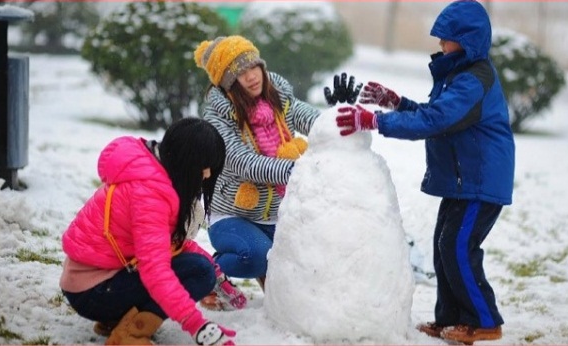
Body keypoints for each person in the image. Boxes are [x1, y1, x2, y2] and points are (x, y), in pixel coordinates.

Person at [335, 0, 514, 344]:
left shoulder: (473, 80)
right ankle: (449, 318)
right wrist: (397, 103)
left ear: (465, 40)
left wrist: (375, 120)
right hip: (465, 179)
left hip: (481, 179)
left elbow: (435, 121)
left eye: (446, 38)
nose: (440, 45)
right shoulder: (460, 75)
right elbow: (435, 112)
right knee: (443, 244)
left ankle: (483, 320)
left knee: (458, 247)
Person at [192, 35, 359, 306]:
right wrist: (299, 169)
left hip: (275, 214)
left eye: (252, 67)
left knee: (305, 261)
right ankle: (205, 272)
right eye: (239, 74)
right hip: (232, 215)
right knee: (256, 256)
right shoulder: (218, 117)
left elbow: (314, 122)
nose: (251, 77)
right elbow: (242, 162)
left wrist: (341, 114)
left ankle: (268, 268)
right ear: (227, 84)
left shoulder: (279, 100)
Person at [60, 118, 246, 346]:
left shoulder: (152, 169)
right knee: (198, 272)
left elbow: (171, 243)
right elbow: (154, 270)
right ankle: (130, 334)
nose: (207, 174)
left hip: (96, 278)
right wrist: (199, 326)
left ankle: (117, 320)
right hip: (93, 290)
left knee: (202, 267)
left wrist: (218, 274)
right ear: (186, 160)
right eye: (204, 165)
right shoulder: (150, 195)